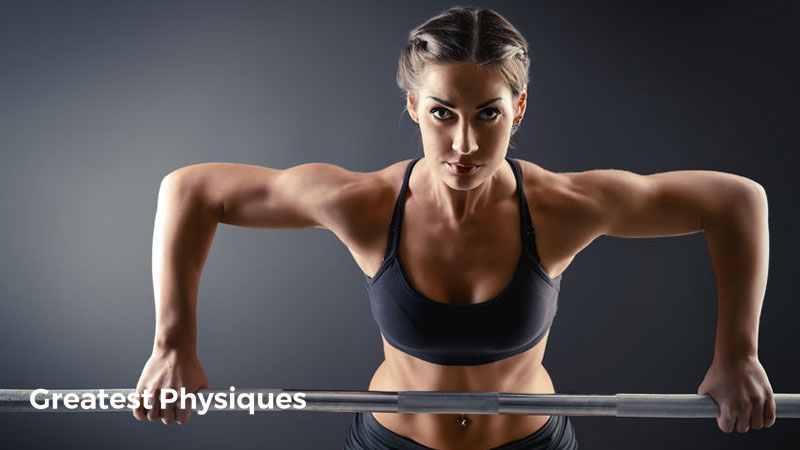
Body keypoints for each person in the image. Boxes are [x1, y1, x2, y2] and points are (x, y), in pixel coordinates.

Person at [132, 6, 775, 449]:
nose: (464, 142)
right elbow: (189, 190)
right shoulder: (365, 205)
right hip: (393, 443)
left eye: (488, 114)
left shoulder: (559, 207)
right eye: (441, 112)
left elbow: (736, 202)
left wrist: (738, 354)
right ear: (413, 105)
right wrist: (172, 346)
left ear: (517, 109)